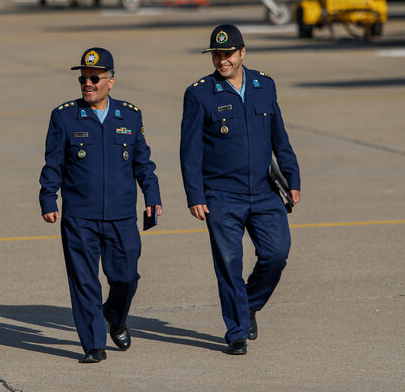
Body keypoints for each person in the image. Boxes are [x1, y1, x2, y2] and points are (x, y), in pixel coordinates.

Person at [179, 24, 301, 355]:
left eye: (228, 54)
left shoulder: (264, 85)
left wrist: (293, 179)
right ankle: (236, 331)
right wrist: (195, 196)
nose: (222, 60)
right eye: (217, 55)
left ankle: (248, 303)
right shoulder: (200, 93)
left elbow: (279, 136)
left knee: (277, 253)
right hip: (221, 196)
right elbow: (190, 152)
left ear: (242, 53)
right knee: (229, 262)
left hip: (264, 192)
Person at [39, 47, 161, 363]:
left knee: (126, 277)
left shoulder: (130, 115)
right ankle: (94, 344)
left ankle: (115, 317)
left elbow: (143, 163)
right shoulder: (64, 116)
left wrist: (153, 197)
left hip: (121, 216)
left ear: (111, 81)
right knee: (84, 281)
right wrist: (48, 196)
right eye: (84, 78)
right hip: (80, 216)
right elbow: (53, 163)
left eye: (95, 78)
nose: (88, 84)